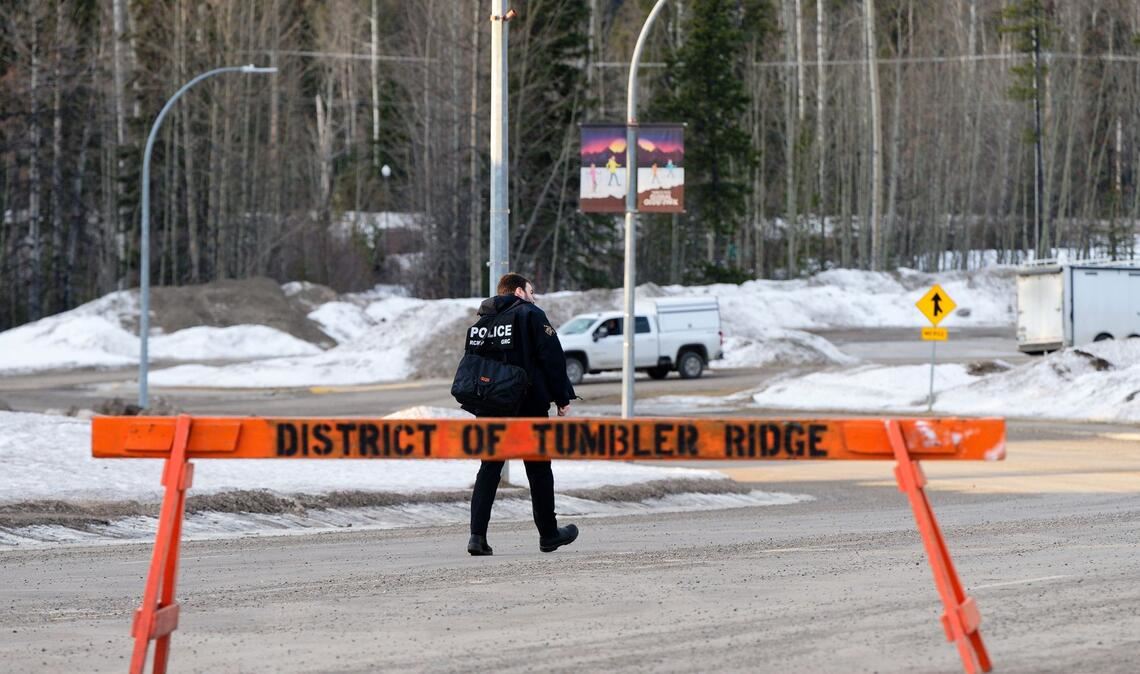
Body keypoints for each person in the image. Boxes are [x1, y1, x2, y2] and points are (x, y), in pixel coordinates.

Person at [465, 272, 579, 556]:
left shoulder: (482, 321)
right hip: (527, 404)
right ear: (518, 292)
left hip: (490, 406)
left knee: (489, 468)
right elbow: (552, 357)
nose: (534, 296)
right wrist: (562, 396)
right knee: (539, 469)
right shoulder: (530, 314)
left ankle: (477, 537)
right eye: (531, 290)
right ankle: (549, 534)